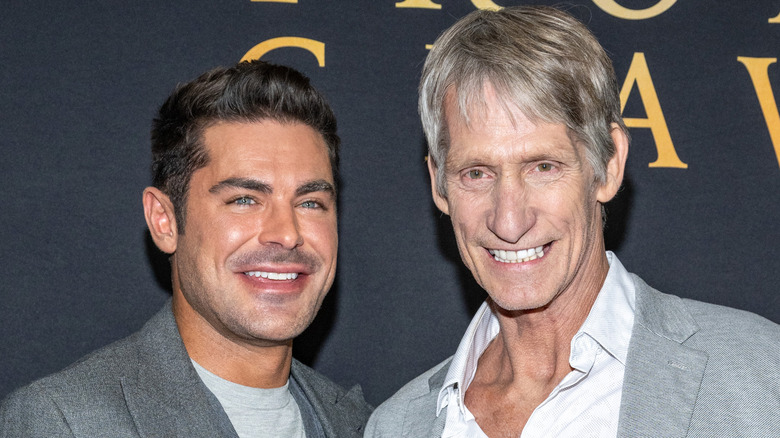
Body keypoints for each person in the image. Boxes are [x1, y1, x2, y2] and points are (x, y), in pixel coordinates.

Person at [365, 6, 780, 437]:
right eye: (476, 173)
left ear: (608, 164)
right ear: (438, 184)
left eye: (543, 167)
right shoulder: (396, 425)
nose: (509, 221)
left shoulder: (761, 377)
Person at [0, 60, 371, 437]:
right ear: (165, 220)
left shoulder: (366, 425)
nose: (286, 233)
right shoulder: (63, 421)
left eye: (310, 203)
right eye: (244, 199)